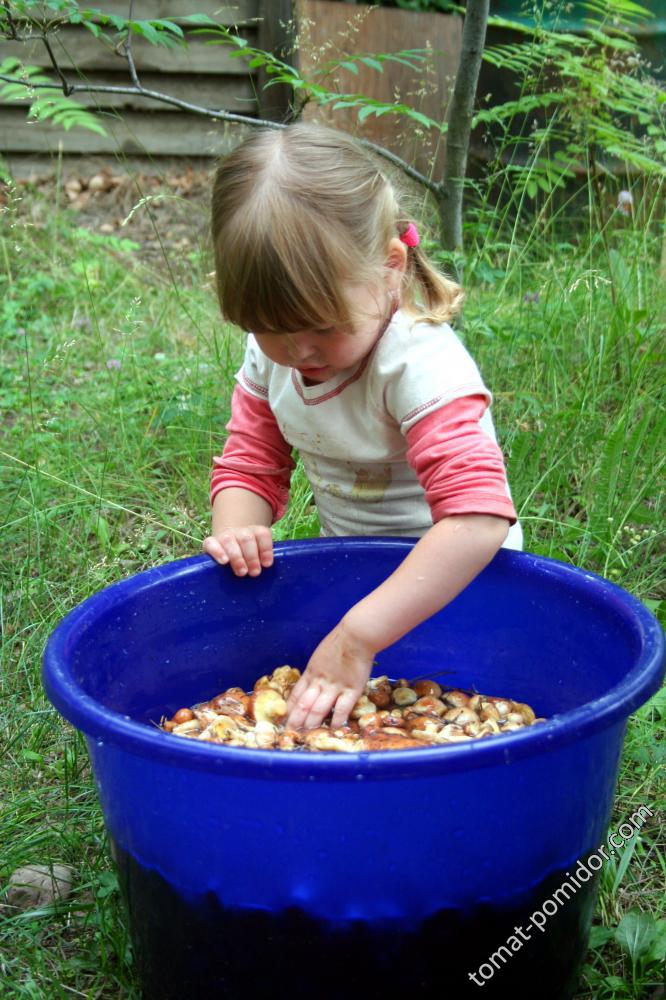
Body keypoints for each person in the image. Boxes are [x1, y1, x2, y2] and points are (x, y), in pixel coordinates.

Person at [203, 123, 522, 733]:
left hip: (457, 590)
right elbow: (251, 460)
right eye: (272, 328)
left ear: (390, 269)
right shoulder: (275, 348)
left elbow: (476, 520)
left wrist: (359, 634)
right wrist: (239, 530)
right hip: (354, 583)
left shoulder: (419, 363)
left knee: (449, 721)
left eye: (321, 326)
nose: (297, 351)